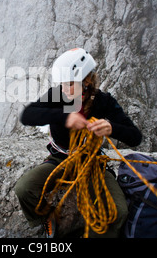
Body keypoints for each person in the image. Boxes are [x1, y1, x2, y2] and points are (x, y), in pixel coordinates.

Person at [14, 48, 142, 238]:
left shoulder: (103, 102)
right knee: (24, 189)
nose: (64, 89)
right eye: (63, 85)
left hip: (91, 162)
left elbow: (135, 137)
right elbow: (27, 115)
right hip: (60, 159)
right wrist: (65, 116)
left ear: (86, 81)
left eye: (69, 85)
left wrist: (111, 127)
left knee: (118, 211)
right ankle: (46, 219)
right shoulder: (58, 95)